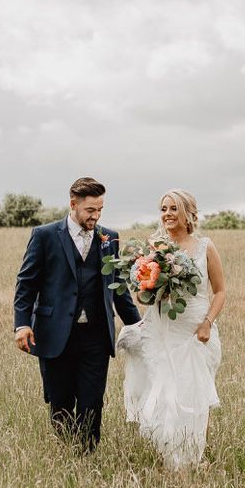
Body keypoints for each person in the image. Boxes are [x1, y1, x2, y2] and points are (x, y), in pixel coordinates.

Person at [13, 177, 140, 452]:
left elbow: (119, 289)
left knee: (92, 401)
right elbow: (26, 283)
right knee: (60, 400)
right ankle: (68, 451)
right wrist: (22, 325)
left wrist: (139, 327)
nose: (95, 216)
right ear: (73, 205)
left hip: (95, 335)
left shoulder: (110, 238)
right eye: (90, 210)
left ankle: (87, 456)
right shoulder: (45, 235)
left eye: (100, 210)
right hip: (54, 334)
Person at [118, 189, 225, 470]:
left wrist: (208, 323)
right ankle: (171, 459)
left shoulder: (205, 247)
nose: (167, 214)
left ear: (187, 213)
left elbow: (221, 291)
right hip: (163, 330)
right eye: (164, 209)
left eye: (173, 208)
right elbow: (144, 295)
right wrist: (150, 290)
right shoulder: (154, 250)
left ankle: (191, 458)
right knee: (165, 395)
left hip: (195, 333)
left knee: (192, 396)